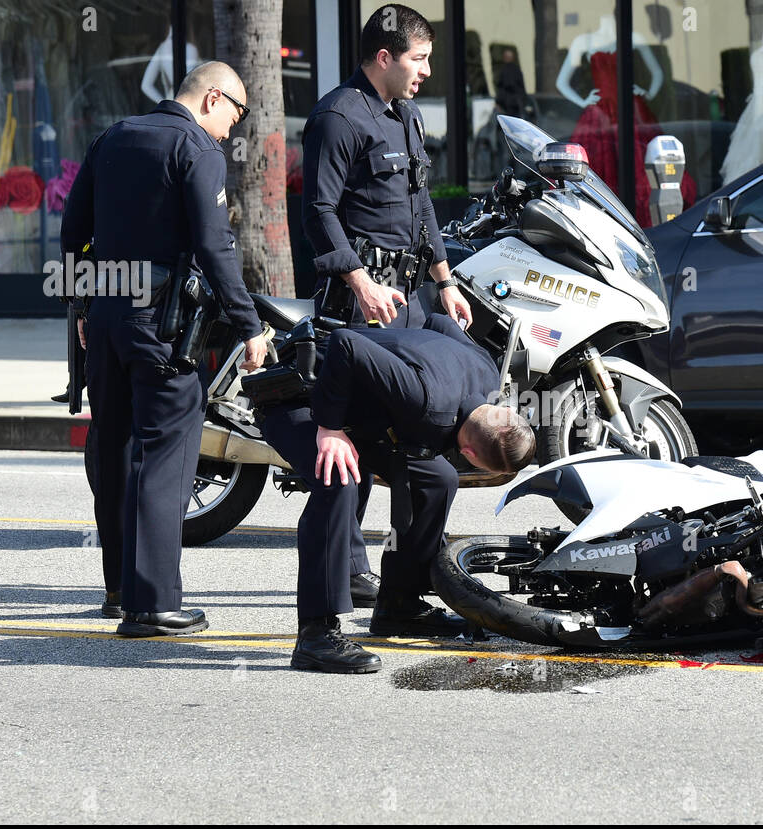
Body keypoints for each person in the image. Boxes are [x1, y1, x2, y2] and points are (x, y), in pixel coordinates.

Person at [61, 61, 267, 637]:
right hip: (164, 324)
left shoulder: (111, 138)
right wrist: (249, 325)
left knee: (116, 448)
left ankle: (120, 589)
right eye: (237, 113)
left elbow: (73, 228)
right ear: (212, 99)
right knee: (167, 455)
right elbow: (214, 244)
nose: (234, 128)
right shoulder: (196, 149)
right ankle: (152, 605)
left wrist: (81, 308)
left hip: (105, 316)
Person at [300, 3, 474, 610]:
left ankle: (406, 571)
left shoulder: (407, 115)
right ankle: (346, 566)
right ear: (384, 57)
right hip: (358, 301)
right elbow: (318, 212)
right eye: (418, 59)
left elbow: (422, 205)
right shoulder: (337, 117)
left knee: (408, 437)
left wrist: (445, 281)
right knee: (354, 432)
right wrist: (358, 283)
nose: (426, 71)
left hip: (406, 298)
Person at [258, 314, 536, 673]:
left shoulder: (486, 373)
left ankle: (399, 606)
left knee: (438, 478)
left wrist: (407, 360)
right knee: (340, 481)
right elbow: (346, 340)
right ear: (470, 454)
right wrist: (329, 429)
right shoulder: (427, 402)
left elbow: (439, 323)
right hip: (301, 397)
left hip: (357, 411)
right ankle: (316, 634)